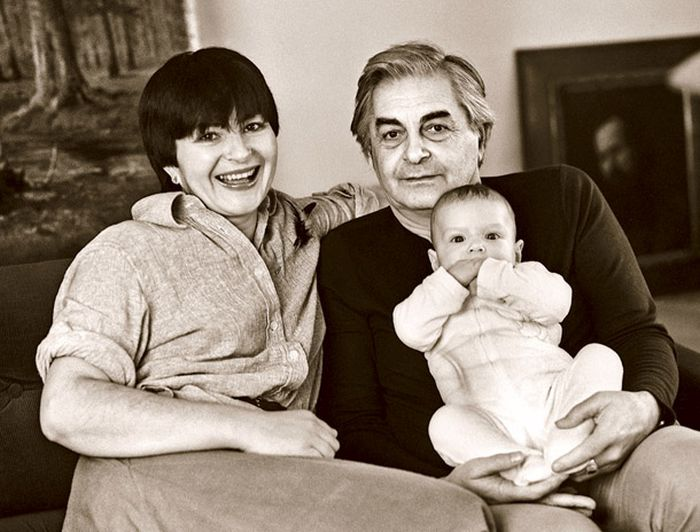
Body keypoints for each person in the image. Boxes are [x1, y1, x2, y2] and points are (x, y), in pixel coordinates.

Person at [35, 47, 498, 531]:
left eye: (253, 127)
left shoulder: (313, 226)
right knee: (449, 515)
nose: (240, 153)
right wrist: (253, 428)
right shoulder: (126, 252)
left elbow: (417, 187)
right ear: (170, 163)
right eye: (208, 136)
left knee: (450, 507)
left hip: (277, 485)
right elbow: (67, 408)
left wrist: (470, 169)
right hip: (153, 482)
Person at [317, 41, 700, 531]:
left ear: (479, 136)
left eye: (436, 127)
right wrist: (446, 484)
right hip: (484, 484)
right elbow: (356, 422)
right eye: (391, 134)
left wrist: (644, 406)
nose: (414, 152)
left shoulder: (563, 196)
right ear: (370, 152)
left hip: (611, 446)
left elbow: (638, 330)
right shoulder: (346, 256)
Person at [393, 183, 623, 487]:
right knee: (442, 424)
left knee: (601, 355)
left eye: (492, 236)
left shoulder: (526, 278)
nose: (476, 248)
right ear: (436, 262)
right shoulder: (432, 299)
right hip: (491, 420)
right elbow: (409, 329)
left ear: (517, 251)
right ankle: (523, 465)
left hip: (556, 401)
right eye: (458, 239)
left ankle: (570, 440)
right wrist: (449, 282)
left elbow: (557, 304)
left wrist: (496, 278)